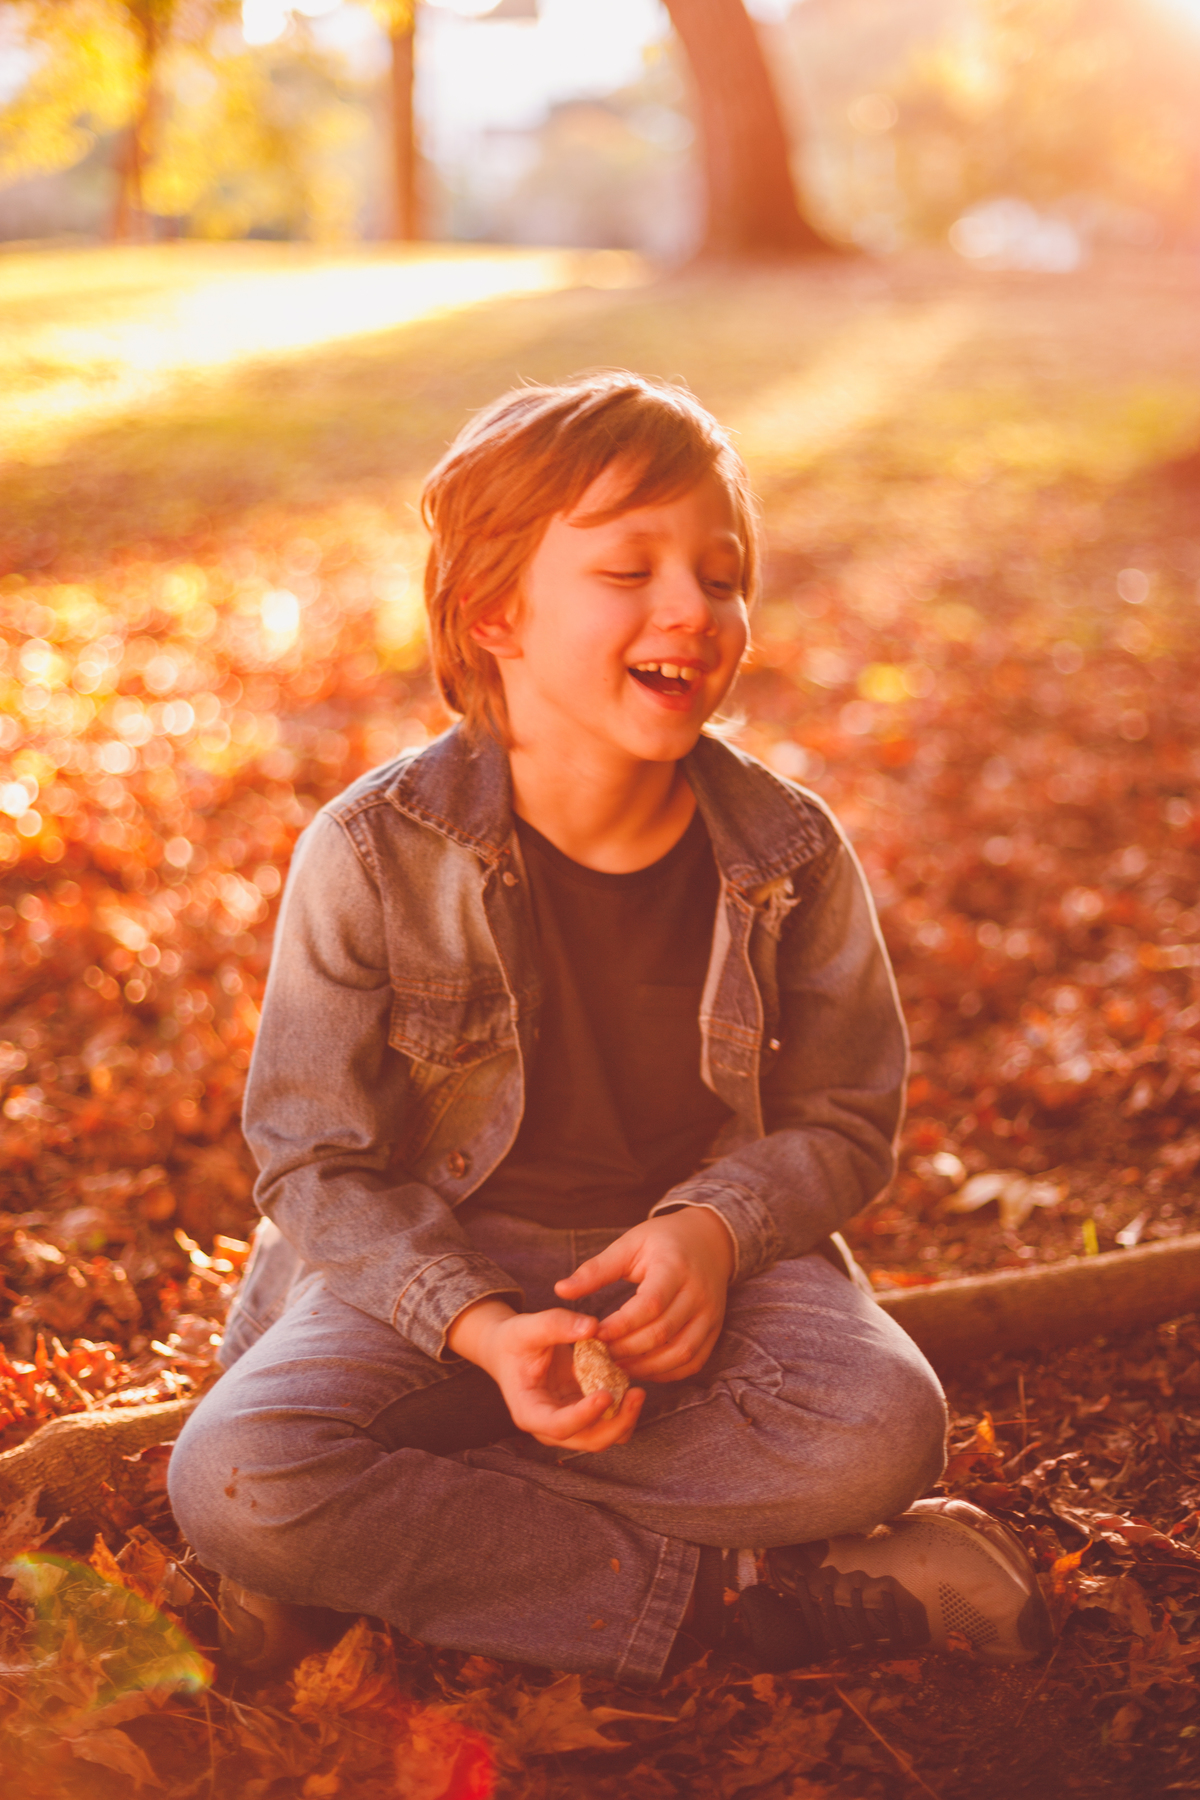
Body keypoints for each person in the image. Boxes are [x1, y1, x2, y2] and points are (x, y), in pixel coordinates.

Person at [168, 374, 1052, 1684]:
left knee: (883, 1432)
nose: (693, 609)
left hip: (701, 1283)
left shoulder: (789, 851)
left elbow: (845, 1122)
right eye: (630, 569)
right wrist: (475, 1325)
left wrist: (712, 1231)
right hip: (436, 1276)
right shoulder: (370, 853)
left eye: (722, 572)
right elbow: (315, 1165)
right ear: (496, 613)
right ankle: (742, 1599)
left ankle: (398, 1548)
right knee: (240, 1471)